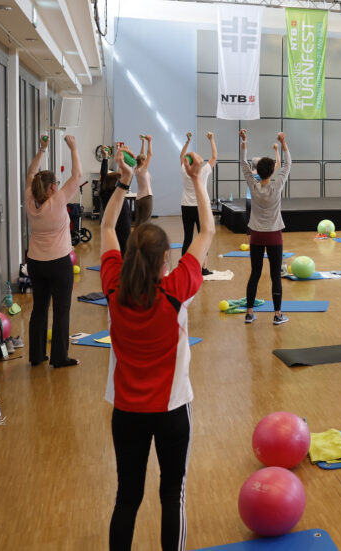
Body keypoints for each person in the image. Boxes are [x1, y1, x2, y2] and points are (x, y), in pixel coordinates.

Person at [102, 148, 213, 551]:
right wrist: (198, 180)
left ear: (130, 255)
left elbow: (108, 226)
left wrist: (125, 181)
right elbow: (207, 233)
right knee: (172, 496)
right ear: (166, 258)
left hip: (126, 414)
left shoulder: (113, 287)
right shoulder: (175, 291)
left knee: (126, 499)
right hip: (171, 411)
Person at [24, 134, 82, 368]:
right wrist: (74, 148)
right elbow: (77, 176)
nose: (58, 186)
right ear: (51, 187)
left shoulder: (30, 198)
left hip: (36, 263)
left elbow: (30, 174)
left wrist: (42, 150)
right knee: (61, 310)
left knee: (39, 308)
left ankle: (36, 355)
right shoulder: (56, 200)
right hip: (58, 264)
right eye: (56, 184)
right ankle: (59, 357)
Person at [239, 130, 291, 325]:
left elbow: (244, 164)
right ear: (272, 172)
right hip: (274, 236)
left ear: (258, 172)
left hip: (256, 236)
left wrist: (244, 142)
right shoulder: (276, 186)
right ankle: (278, 315)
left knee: (255, 273)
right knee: (275, 274)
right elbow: (287, 164)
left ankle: (249, 313)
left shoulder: (253, 186)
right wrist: (284, 143)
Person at [179, 131, 216, 275]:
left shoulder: (184, 169)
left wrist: (187, 141)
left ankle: (184, 268)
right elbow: (214, 157)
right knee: (204, 236)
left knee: (187, 237)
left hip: (186, 206)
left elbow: (182, 156)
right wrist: (211, 139)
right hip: (201, 207)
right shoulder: (204, 170)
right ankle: (203, 268)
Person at [100, 146, 132, 254]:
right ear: (116, 183)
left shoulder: (103, 191)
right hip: (123, 224)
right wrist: (121, 162)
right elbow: (122, 176)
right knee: (124, 248)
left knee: (113, 247)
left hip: (110, 222)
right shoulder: (116, 192)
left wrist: (105, 157)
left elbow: (103, 175)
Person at [133, 135, 154, 228]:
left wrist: (143, 142)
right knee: (146, 222)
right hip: (146, 198)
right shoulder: (143, 170)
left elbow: (142, 155)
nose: (146, 160)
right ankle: (144, 241)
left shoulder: (137, 169)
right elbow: (149, 154)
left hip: (138, 199)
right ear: (142, 161)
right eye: (144, 159)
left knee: (138, 222)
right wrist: (150, 141)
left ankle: (135, 240)